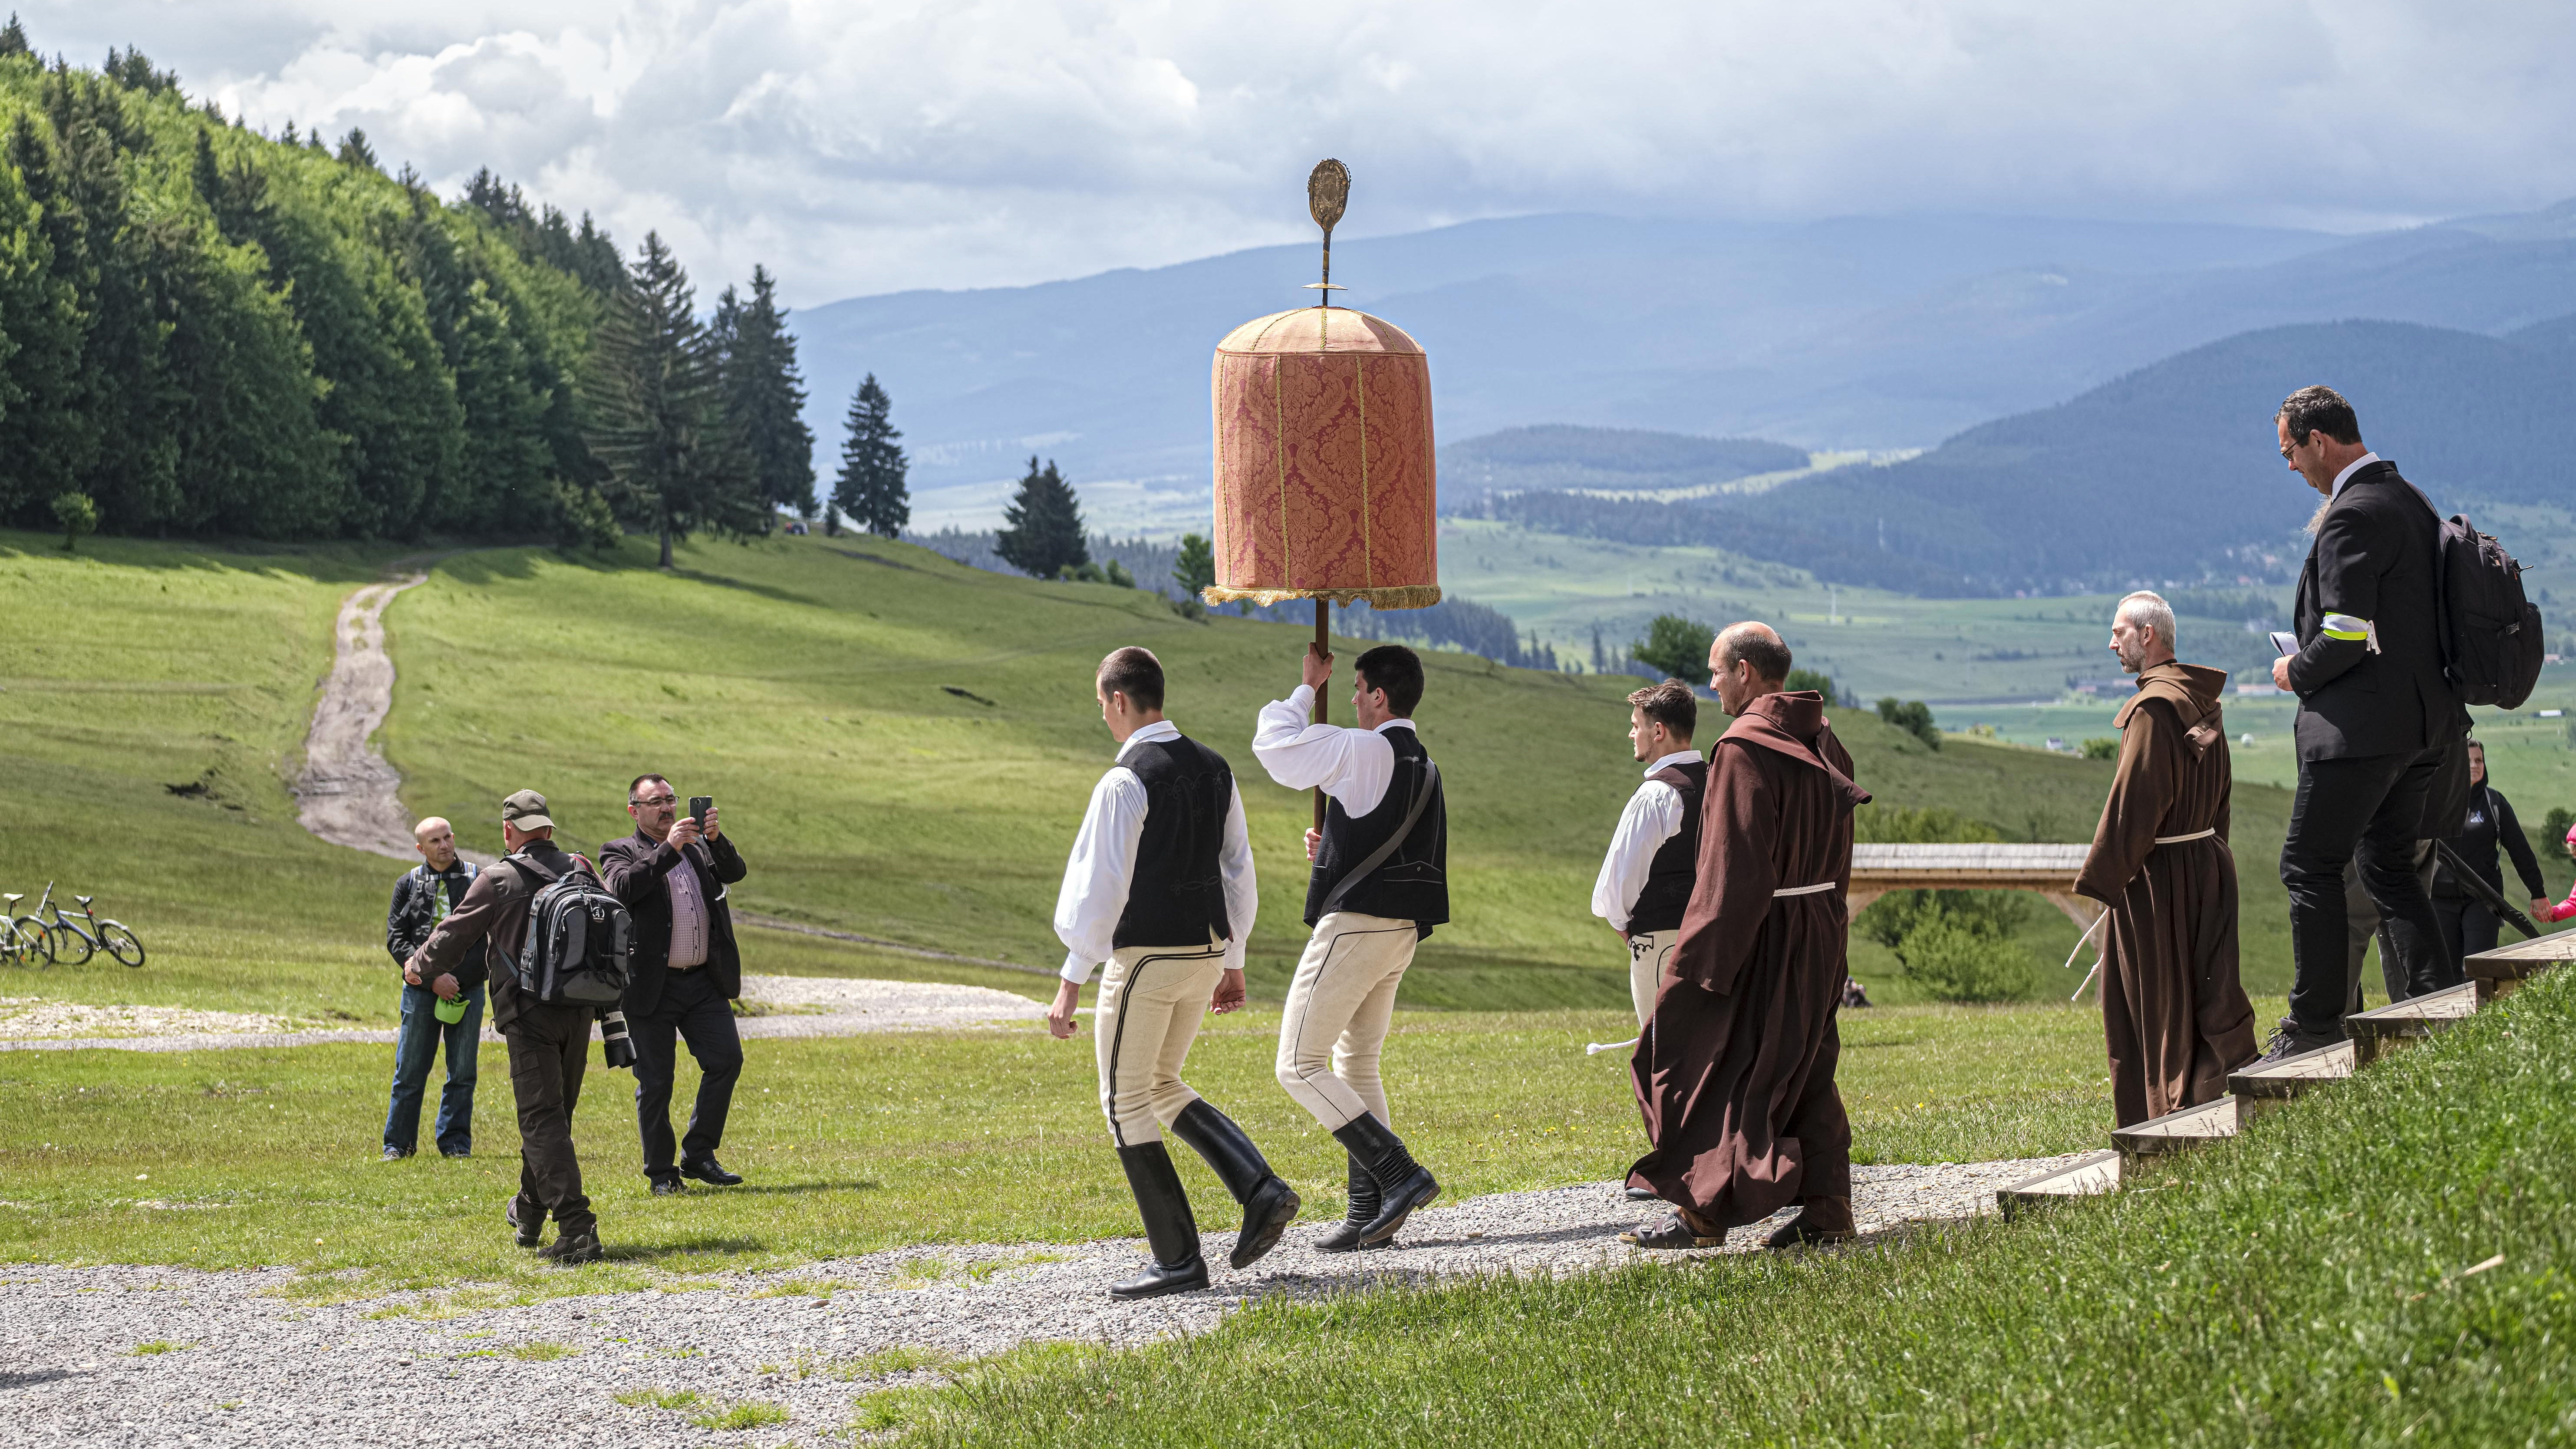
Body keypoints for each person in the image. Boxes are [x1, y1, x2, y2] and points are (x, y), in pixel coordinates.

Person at [1044, 647, 1295, 1300]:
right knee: (1159, 1082)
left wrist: (1072, 977)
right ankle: (1259, 1189)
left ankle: (1179, 1258)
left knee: (1122, 1100)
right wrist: (1233, 960)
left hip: (1149, 957)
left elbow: (1100, 888)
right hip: (1205, 951)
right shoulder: (1216, 768)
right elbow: (1238, 869)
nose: (1102, 714)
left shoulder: (1125, 780)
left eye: (1102, 703)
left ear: (1120, 700)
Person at [1625, 623, 1868, 1251]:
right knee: (1807, 1066)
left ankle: (1702, 1215)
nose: (1709, 683)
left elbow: (1731, 866)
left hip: (1761, 933)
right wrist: (1832, 928)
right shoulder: (1824, 740)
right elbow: (1840, 851)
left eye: (1716, 670)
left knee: (1713, 1063)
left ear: (1745, 673)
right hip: (1817, 927)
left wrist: (1700, 961)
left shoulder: (1741, 749)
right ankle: (1829, 1208)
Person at [2260, 385, 2467, 1065]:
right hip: (2424, 729)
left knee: (2307, 864)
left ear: (2318, 441)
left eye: (2290, 450)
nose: (2290, 466)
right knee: (2387, 865)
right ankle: (2437, 1001)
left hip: (2360, 734)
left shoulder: (2348, 515)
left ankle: (2313, 1026)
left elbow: (2347, 635)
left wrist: (2297, 672)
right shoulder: (2410, 499)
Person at [1251, 641, 1446, 1252]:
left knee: (1297, 1065)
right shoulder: (1424, 763)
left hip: (1357, 929)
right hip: (1398, 934)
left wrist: (1306, 687)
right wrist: (1334, 851)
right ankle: (1370, 1215)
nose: (1354, 699)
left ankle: (1398, 1175)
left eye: (1358, 690)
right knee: (1356, 1065)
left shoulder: (1363, 747)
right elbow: (1395, 842)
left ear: (1378, 696)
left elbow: (1275, 749)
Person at [2072, 593, 2259, 1128]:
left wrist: (2106, 878)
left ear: (2147, 635)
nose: (2112, 643)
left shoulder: (2154, 708)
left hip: (2155, 881)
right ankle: (2208, 1104)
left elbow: (2134, 804)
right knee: (2204, 993)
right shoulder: (2201, 701)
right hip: (2207, 865)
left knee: (2155, 1009)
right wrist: (2212, 855)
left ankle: (2165, 1121)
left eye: (2119, 632)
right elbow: (2222, 792)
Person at [406, 789, 608, 1264]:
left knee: (541, 1119)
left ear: (508, 830)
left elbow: (454, 933)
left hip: (528, 1012)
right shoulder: (581, 867)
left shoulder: (499, 878)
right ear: (550, 829)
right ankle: (530, 1211)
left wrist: (418, 964)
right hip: (580, 1009)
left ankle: (578, 1228)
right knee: (554, 1118)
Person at [602, 775, 750, 1195]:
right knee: (656, 1081)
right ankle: (662, 1173)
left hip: (704, 981)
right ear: (635, 810)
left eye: (671, 799)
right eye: (656, 802)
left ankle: (699, 1153)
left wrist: (716, 839)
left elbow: (735, 872)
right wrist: (670, 848)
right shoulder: (619, 851)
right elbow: (624, 888)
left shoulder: (699, 846)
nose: (667, 808)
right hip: (652, 986)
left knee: (726, 1061)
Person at [1589, 680, 1705, 1199]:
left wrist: (1621, 921)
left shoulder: (1656, 793)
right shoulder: (1716, 780)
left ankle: (1676, 1170)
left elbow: (1616, 887)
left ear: (1658, 731)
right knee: (1705, 1051)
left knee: (1663, 1056)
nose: (1629, 734)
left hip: (1660, 939)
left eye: (1636, 725)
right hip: (1711, 934)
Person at [382, 816, 483, 1160]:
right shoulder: (408, 884)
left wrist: (458, 978)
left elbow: (488, 938)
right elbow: (397, 939)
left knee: (463, 1071)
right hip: (419, 990)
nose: (443, 845)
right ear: (420, 848)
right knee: (409, 1070)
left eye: (447, 837)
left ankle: (455, 1144)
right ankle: (398, 1145)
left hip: (467, 989)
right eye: (435, 841)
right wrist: (432, 978)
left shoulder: (476, 878)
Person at [2430, 739, 2550, 960]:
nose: (2475, 765)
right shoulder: (2435, 801)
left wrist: (2538, 892)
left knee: (2478, 968)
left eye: (2479, 760)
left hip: (2484, 899)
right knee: (2447, 976)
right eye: (2468, 761)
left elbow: (2519, 849)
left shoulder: (2494, 802)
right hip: (2439, 899)